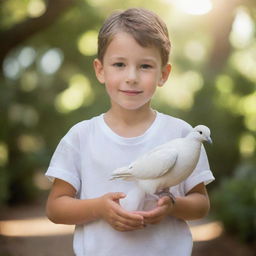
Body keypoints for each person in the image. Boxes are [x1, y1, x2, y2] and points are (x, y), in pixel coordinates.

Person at [45, 8, 214, 256]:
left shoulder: (182, 134)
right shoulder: (80, 137)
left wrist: (172, 206)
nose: (131, 77)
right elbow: (55, 208)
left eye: (145, 66)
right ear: (100, 70)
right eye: (119, 64)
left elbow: (201, 204)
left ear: (163, 74)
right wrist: (99, 208)